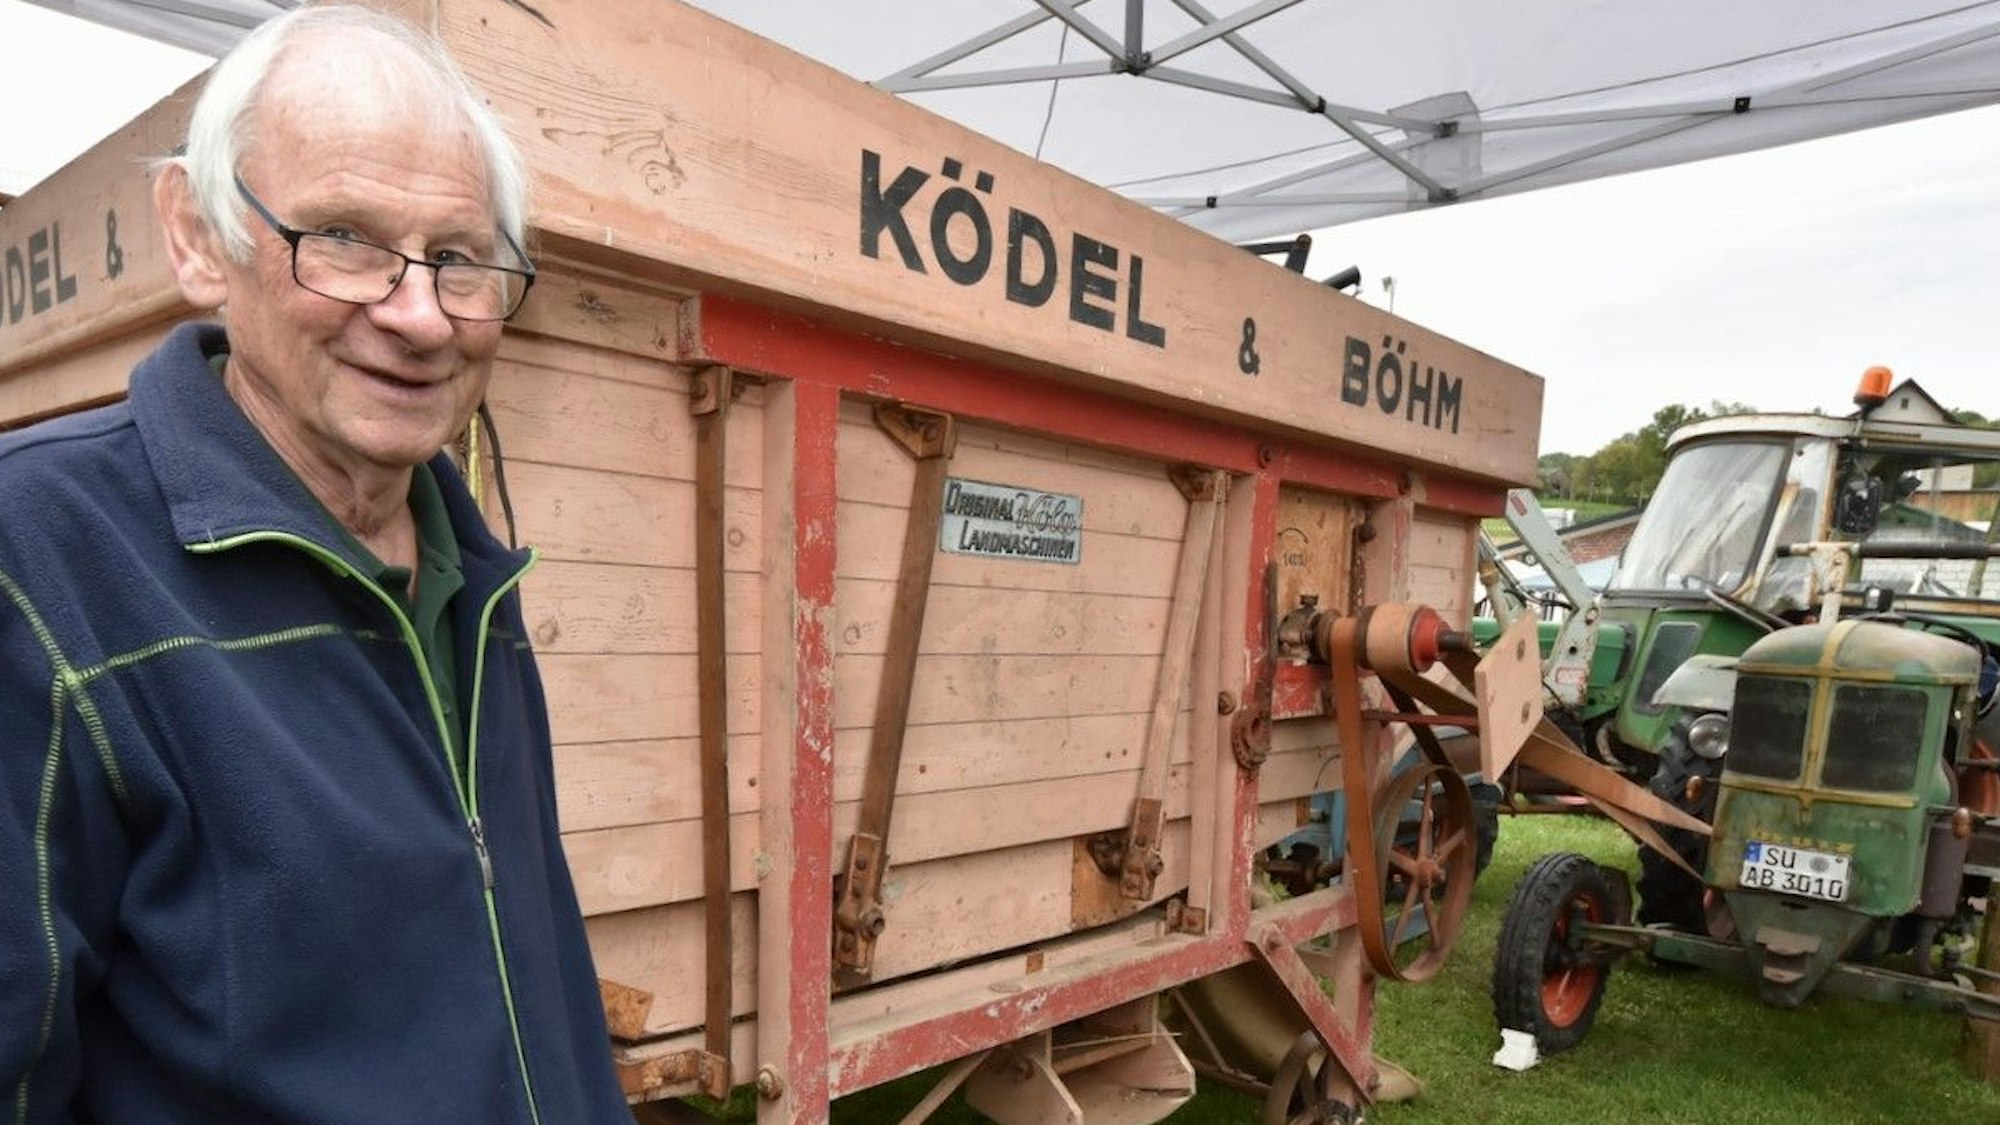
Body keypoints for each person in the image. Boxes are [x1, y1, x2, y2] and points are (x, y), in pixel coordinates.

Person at [0, 7, 631, 1122]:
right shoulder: (40, 556)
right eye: (345, 238)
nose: (422, 316)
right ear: (201, 239)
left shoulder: (467, 564)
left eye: (460, 258)